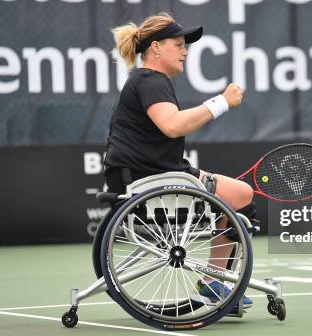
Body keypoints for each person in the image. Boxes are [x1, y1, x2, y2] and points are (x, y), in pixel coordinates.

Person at [104, 13, 253, 309]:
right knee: (242, 195)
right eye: (179, 44)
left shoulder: (143, 79)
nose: (185, 51)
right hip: (153, 179)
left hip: (142, 174)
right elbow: (171, 125)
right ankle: (214, 282)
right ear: (156, 48)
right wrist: (221, 102)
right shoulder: (151, 79)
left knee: (232, 192)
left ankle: (215, 282)